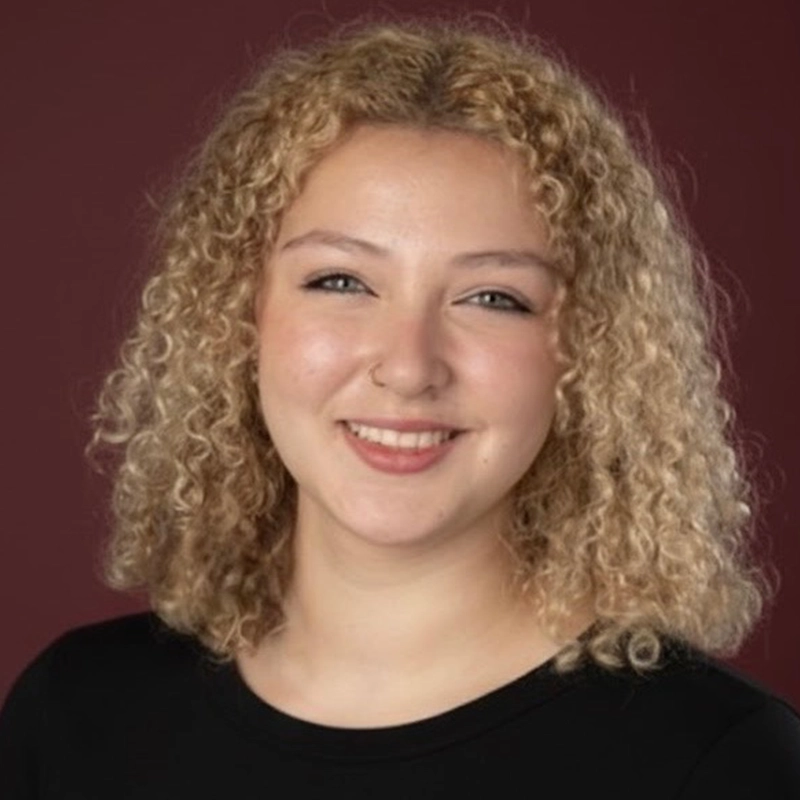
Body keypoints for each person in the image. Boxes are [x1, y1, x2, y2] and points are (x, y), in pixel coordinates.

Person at [1, 16, 798, 798]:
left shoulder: (720, 763)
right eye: (341, 281)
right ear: (237, 316)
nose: (409, 367)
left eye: (493, 297)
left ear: (588, 350)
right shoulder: (76, 718)